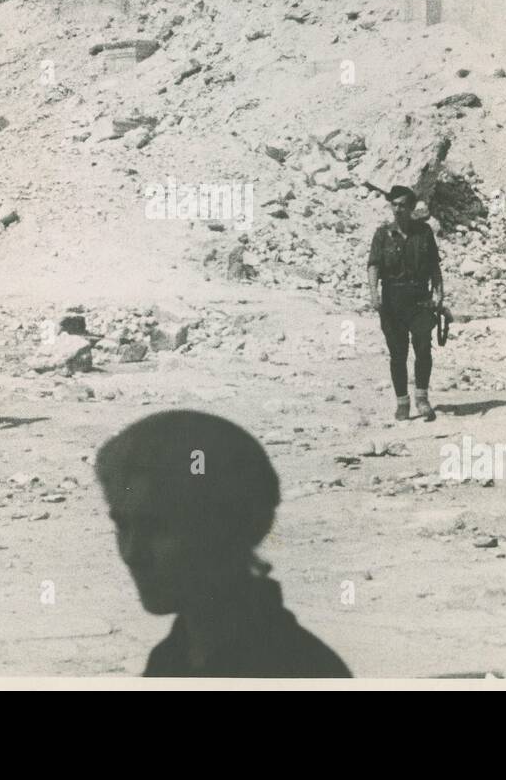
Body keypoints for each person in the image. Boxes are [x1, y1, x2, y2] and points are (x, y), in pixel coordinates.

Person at [95, 410, 351, 678]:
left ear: (229, 528)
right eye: (123, 525)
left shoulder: (300, 671)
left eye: (157, 527)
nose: (132, 553)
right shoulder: (172, 659)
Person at [367, 185, 444, 422]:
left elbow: (434, 265)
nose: (398, 209)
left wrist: (439, 293)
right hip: (392, 300)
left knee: (423, 349)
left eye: (403, 205)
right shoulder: (382, 234)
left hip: (419, 299)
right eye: (395, 204)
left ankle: (422, 399)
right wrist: (373, 293)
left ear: (411, 208)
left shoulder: (424, 233)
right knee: (397, 354)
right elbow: (374, 265)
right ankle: (402, 402)